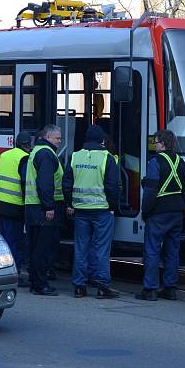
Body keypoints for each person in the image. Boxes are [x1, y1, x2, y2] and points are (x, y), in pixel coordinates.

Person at [63, 125, 121, 299]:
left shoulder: (75, 157)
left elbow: (67, 184)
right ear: (102, 140)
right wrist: (112, 207)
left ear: (86, 139)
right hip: (102, 211)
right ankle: (103, 286)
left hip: (80, 211)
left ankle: (79, 287)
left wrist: (70, 203)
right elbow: (112, 187)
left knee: (81, 248)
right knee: (102, 249)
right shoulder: (107, 158)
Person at [136, 129, 185, 301]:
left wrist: (145, 211)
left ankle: (150, 289)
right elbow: (182, 190)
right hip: (177, 211)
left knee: (152, 249)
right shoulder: (181, 162)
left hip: (159, 212)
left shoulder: (155, 162)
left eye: (156, 142)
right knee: (172, 250)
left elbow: (150, 191)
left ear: (163, 143)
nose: (154, 145)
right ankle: (170, 288)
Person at [25, 124, 66, 296]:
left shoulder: (36, 151)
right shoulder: (47, 155)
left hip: (32, 206)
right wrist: (49, 206)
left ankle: (35, 282)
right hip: (43, 208)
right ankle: (41, 284)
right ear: (47, 137)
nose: (60, 141)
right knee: (42, 249)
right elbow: (45, 183)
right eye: (57, 138)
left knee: (35, 247)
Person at [0, 131, 32, 287]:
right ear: (27, 145)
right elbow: (24, 183)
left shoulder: (5, 155)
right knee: (14, 241)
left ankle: (4, 270)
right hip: (15, 205)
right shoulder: (23, 158)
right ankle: (14, 273)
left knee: (5, 240)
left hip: (1, 203)